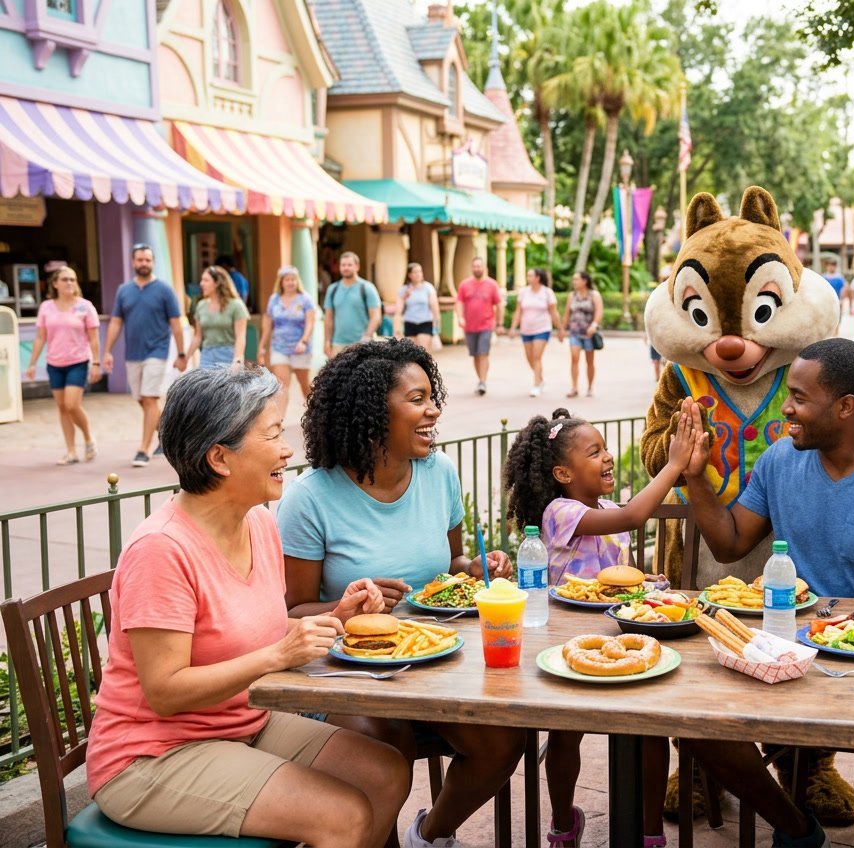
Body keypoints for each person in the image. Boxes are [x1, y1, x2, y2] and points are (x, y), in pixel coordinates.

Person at [85, 367, 410, 846]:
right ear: (219, 457)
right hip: (153, 755)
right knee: (344, 816)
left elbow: (261, 635)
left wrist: (337, 619)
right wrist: (278, 656)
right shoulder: (160, 550)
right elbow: (165, 692)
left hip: (242, 723)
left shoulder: (258, 523)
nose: (287, 450)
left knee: (386, 772)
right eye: (273, 435)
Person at [675, 338, 854, 846]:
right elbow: (730, 543)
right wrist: (695, 477)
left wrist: (835, 637)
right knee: (695, 721)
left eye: (799, 397)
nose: (786, 408)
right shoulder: (781, 460)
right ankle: (797, 828)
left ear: (845, 407)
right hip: (785, 651)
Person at [276, 339, 525, 848]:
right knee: (384, 746)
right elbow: (292, 609)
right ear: (372, 412)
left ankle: (430, 835)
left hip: (435, 662)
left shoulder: (440, 473)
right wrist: (346, 608)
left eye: (432, 397)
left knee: (503, 738)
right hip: (347, 673)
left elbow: (451, 565)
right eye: (417, 399)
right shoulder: (309, 498)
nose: (433, 410)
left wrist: (475, 568)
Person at [503, 407, 706, 848]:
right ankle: (562, 826)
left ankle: (650, 832)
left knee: (650, 728)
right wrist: (673, 464)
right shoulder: (560, 512)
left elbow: (615, 574)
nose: (608, 457)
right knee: (565, 731)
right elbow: (633, 517)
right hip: (568, 639)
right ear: (563, 473)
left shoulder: (610, 509)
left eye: (605, 448)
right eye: (594, 452)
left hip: (620, 636)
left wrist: (645, 581)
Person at [102, 244, 188, 467]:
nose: (144, 264)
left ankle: (143, 449)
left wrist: (181, 353)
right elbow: (116, 322)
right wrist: (107, 351)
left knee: (150, 399)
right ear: (133, 262)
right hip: (133, 354)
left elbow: (176, 324)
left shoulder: (165, 290)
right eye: (140, 260)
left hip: (157, 352)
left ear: (153, 262)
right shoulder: (124, 290)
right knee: (141, 399)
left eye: (148, 260)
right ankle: (168, 436)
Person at [24, 264, 100, 465]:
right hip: (54, 363)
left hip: (78, 361)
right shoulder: (46, 307)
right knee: (62, 408)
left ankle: (88, 437)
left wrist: (96, 363)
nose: (69, 283)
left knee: (72, 404)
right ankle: (71, 451)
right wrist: (32, 364)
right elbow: (40, 337)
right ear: (55, 283)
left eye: (72, 279)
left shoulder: (85, 306)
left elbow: (93, 338)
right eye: (65, 279)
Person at [259, 265, 316, 419]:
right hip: (279, 347)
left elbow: (310, 322)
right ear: (281, 282)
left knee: (304, 383)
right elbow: (267, 326)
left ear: (297, 281)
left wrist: (303, 341)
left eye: (293, 279)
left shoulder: (305, 299)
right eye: (287, 280)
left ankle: (316, 412)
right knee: (282, 385)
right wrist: (262, 347)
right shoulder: (274, 299)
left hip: (300, 348)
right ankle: (280, 421)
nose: (290, 282)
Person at [508, 267, 562, 397]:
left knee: (537, 356)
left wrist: (560, 329)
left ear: (538, 278)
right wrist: (513, 327)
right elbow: (518, 311)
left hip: (542, 329)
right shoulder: (523, 292)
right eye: (528, 276)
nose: (528, 278)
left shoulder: (547, 292)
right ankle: (540, 378)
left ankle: (536, 385)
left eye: (530, 276)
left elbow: (553, 312)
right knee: (529, 358)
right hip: (526, 330)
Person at [455, 256, 502, 396]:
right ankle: (480, 380)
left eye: (479, 266)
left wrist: (499, 323)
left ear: (484, 268)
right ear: (472, 268)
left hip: (486, 325)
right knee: (475, 355)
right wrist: (460, 317)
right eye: (475, 266)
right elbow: (459, 302)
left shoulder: (492, 284)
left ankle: (483, 382)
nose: (477, 269)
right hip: (469, 326)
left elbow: (499, 304)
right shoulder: (464, 285)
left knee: (483, 353)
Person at [323, 251, 382, 358]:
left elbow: (376, 316)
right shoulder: (332, 289)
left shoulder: (367, 288)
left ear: (357, 267)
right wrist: (327, 340)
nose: (346, 268)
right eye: (343, 265)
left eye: (349, 265)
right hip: (338, 344)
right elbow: (328, 318)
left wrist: (367, 337)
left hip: (362, 344)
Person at [189, 266, 248, 371]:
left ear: (217, 283)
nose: (201, 284)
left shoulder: (236, 305)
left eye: (206, 280)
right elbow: (197, 337)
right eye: (201, 280)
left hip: (228, 356)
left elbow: (240, 337)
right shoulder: (201, 306)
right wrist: (185, 358)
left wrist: (238, 360)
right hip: (207, 356)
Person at [561, 271, 602, 398]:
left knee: (589, 361)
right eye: (573, 279)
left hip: (589, 333)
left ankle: (590, 387)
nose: (574, 282)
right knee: (574, 358)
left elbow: (599, 312)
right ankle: (574, 387)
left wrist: (594, 325)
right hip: (575, 332)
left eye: (576, 279)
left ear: (585, 281)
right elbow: (567, 313)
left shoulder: (594, 295)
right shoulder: (572, 295)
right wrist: (562, 329)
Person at [394, 262, 440, 353]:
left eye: (420, 271)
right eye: (415, 272)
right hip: (409, 322)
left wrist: (436, 327)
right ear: (409, 275)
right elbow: (398, 310)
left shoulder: (428, 288)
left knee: (422, 352)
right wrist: (396, 329)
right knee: (411, 353)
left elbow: (435, 308)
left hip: (425, 322)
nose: (418, 274)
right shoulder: (404, 289)